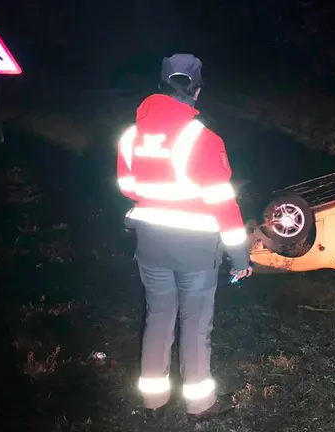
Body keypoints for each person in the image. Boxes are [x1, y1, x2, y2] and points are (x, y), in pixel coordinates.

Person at [115, 53, 253, 421]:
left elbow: (128, 187)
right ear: (197, 91)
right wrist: (240, 257)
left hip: (151, 244)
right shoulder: (202, 137)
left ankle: (153, 402)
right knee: (195, 324)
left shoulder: (131, 134)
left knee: (158, 317)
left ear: (160, 86)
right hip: (195, 250)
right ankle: (199, 406)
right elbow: (223, 203)